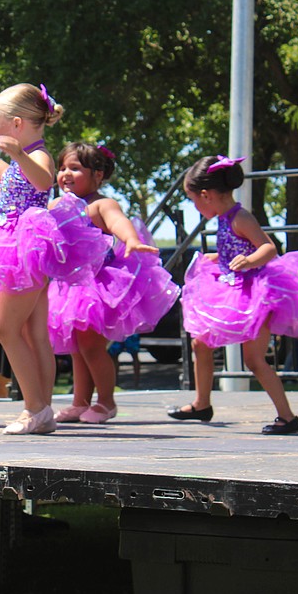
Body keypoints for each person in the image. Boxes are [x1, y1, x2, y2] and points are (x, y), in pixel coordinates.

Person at [0, 84, 104, 435]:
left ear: (17, 124)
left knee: (7, 329)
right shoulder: (23, 155)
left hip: (27, 248)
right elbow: (7, 176)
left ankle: (35, 407)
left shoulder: (39, 154)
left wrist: (19, 153)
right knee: (34, 333)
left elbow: (42, 179)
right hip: (17, 246)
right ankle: (42, 408)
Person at [167, 155, 298, 435]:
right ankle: (202, 404)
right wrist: (219, 258)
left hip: (255, 294)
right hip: (232, 287)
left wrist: (248, 261)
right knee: (201, 343)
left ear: (206, 195)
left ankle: (288, 417)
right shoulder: (225, 217)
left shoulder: (240, 217)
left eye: (194, 201)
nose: (196, 207)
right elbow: (236, 249)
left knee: (254, 360)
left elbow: (267, 248)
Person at [46, 143, 179, 424]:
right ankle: (80, 402)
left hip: (99, 285)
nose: (66, 174)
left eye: (75, 169)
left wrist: (131, 239)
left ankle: (106, 402)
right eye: (62, 168)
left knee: (92, 347)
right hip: (69, 286)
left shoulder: (101, 204)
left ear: (98, 175)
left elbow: (117, 221)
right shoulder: (58, 205)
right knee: (76, 347)